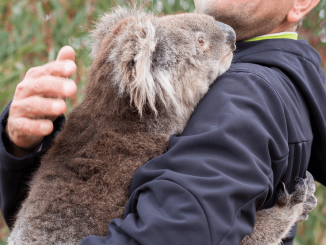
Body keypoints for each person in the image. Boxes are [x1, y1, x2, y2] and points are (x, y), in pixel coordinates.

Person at [1, 0, 325, 244]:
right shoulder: (128, 123)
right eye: (200, 39)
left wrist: (276, 220)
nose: (224, 37)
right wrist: (21, 146)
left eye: (201, 41)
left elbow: (184, 233)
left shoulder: (244, 95)